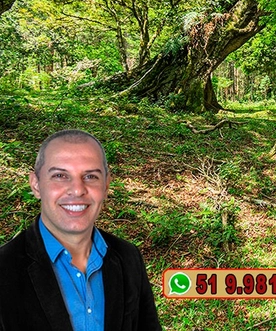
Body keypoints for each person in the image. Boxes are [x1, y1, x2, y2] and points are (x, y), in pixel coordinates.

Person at [0, 129, 161, 331]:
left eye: (91, 176)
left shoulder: (128, 258)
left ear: (106, 185)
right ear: (36, 185)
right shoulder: (4, 269)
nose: (77, 190)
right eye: (60, 175)